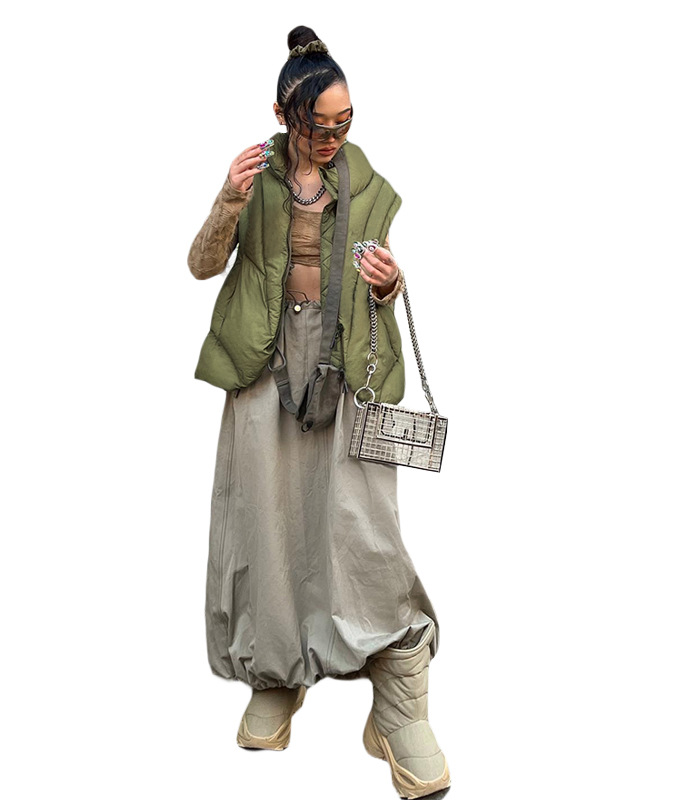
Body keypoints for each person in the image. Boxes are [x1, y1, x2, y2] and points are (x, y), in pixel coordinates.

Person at [187, 26, 451, 799]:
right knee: (266, 519)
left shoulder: (366, 184)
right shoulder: (256, 180)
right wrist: (228, 199)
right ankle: (276, 672)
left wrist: (389, 285)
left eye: (345, 122)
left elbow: (384, 283)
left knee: (365, 529)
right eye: (317, 125)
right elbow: (202, 265)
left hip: (348, 366)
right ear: (283, 115)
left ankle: (400, 702)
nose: (332, 138)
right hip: (263, 362)